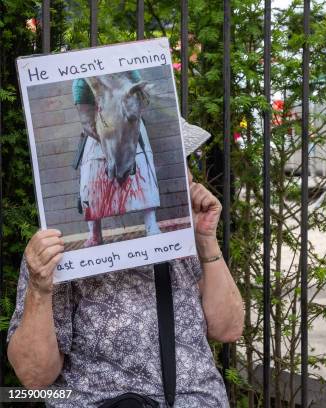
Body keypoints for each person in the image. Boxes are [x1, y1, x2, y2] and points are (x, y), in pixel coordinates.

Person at [7, 125, 244, 406]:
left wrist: (206, 241)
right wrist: (39, 287)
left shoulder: (183, 237)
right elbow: (35, 377)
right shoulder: (57, 253)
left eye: (183, 163)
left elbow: (227, 329)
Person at [73, 71, 161, 248]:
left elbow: (142, 96)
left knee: (142, 168)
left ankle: (152, 225)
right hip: (101, 128)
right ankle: (95, 233)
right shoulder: (81, 82)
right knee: (92, 178)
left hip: (130, 124)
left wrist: (129, 118)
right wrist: (106, 138)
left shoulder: (127, 69)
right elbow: (86, 117)